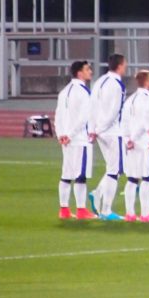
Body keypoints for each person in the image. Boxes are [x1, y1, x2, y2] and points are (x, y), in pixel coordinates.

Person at [87, 53, 127, 222]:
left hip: (100, 131)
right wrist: (101, 128)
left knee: (113, 168)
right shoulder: (117, 85)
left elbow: (92, 106)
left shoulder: (99, 82)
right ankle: (106, 209)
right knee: (115, 170)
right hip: (112, 131)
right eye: (124, 64)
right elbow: (114, 111)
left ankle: (98, 194)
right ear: (119, 65)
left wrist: (93, 128)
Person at [55, 60, 96, 220]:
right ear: (80, 73)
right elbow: (84, 117)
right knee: (81, 175)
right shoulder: (83, 92)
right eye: (87, 69)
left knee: (66, 173)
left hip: (66, 140)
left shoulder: (64, 91)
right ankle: (81, 210)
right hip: (79, 139)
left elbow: (58, 115)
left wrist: (61, 134)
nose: (90, 72)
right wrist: (71, 134)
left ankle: (64, 209)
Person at [120, 70, 149, 222]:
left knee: (132, 179)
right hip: (144, 143)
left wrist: (127, 139)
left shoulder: (130, 100)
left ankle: (130, 213)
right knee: (147, 179)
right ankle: (145, 214)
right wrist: (133, 138)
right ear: (147, 81)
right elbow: (145, 123)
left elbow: (124, 123)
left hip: (131, 145)